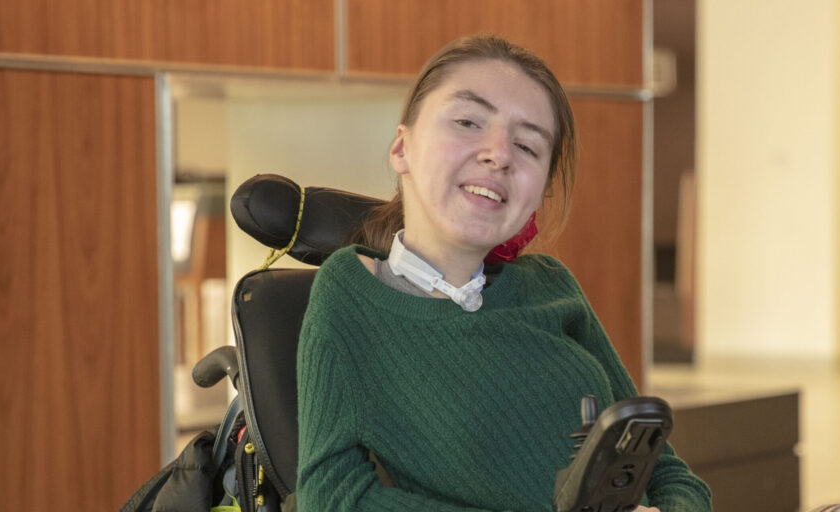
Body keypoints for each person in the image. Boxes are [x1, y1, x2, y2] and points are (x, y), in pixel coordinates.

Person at [296, 35, 712, 511]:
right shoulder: (350, 295)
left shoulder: (551, 286)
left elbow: (672, 475)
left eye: (528, 145)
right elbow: (330, 499)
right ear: (401, 147)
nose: (499, 154)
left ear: (538, 192)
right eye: (468, 121)